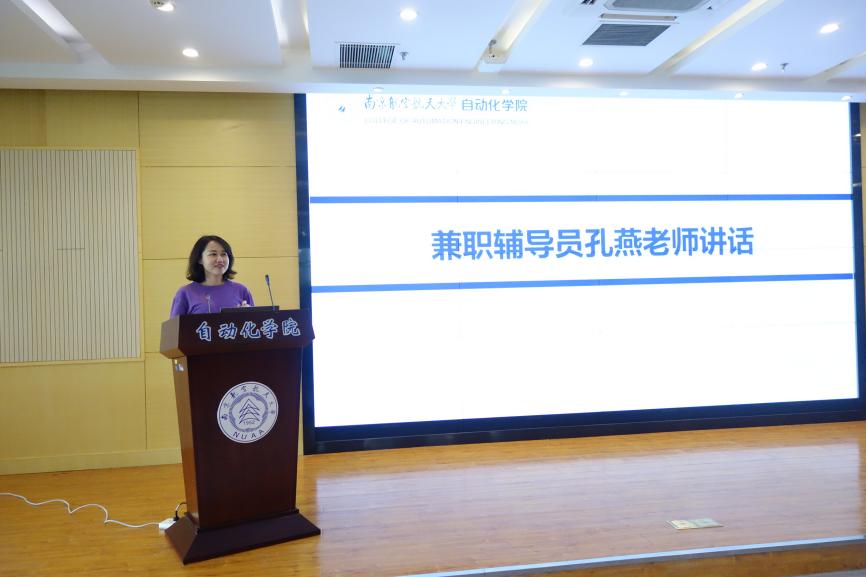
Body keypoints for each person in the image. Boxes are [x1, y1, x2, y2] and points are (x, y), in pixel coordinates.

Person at [169, 235, 254, 317]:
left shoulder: (241, 290)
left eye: (224, 254)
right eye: (213, 254)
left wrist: (247, 316)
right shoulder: (185, 293)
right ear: (199, 259)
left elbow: (255, 324)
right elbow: (174, 326)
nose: (220, 259)